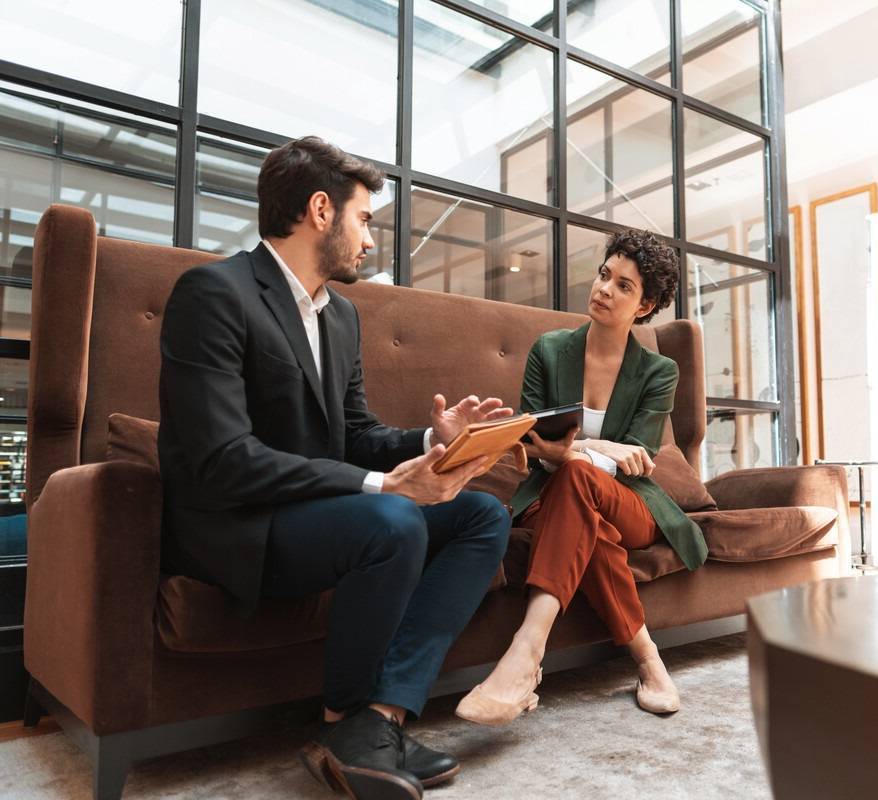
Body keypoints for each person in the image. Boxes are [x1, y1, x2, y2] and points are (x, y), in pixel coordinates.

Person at [159, 136, 513, 800]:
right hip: (242, 525)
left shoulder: (341, 316)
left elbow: (352, 434)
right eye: (365, 219)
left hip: (322, 516)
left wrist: (429, 437)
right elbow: (222, 460)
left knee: (480, 516)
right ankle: (341, 720)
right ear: (321, 210)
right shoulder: (213, 293)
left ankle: (374, 722)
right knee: (393, 520)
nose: (370, 241)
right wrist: (385, 483)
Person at [454, 229, 708, 726]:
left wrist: (578, 451)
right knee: (583, 509)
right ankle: (648, 660)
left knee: (579, 479)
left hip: (629, 502)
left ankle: (527, 652)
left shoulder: (658, 371)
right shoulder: (549, 350)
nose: (604, 290)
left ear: (645, 304)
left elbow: (635, 460)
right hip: (551, 494)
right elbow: (529, 440)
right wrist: (597, 447)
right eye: (603, 275)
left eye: (624, 286)